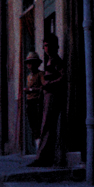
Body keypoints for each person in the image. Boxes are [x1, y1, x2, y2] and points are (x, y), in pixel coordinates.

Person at [28, 35, 66, 167]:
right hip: (47, 96)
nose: (47, 48)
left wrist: (48, 85)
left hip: (53, 96)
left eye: (49, 45)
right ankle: (44, 156)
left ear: (56, 46)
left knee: (47, 126)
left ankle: (43, 157)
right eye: (45, 46)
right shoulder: (50, 61)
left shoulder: (56, 61)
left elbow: (62, 77)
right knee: (44, 126)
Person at [23, 51, 43, 153]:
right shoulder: (28, 77)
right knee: (33, 126)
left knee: (38, 125)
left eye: (32, 63)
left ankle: (40, 148)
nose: (30, 65)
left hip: (37, 102)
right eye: (28, 63)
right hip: (30, 102)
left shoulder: (40, 74)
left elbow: (43, 88)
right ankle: (37, 146)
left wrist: (31, 90)